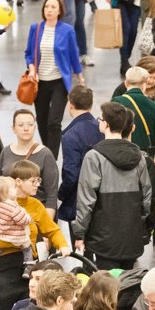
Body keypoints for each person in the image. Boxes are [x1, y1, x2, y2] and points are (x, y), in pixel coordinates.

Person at [73, 101, 155, 270]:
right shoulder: (139, 156)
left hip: (103, 237)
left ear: (106, 124)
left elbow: (86, 200)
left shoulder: (94, 157)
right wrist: (138, 223)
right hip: (131, 235)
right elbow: (147, 198)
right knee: (127, 285)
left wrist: (80, 233)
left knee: (107, 289)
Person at [25, 0, 84, 154]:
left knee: (54, 122)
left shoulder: (67, 31)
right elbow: (29, 53)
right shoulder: (35, 29)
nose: (49, 10)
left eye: (53, 7)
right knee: (42, 120)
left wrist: (80, 78)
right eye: (47, 7)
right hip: (40, 81)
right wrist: (31, 69)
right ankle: (47, 151)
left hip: (59, 81)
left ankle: (51, 156)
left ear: (59, 11)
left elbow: (74, 55)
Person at [0, 108, 62, 215]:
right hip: (9, 215)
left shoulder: (45, 154)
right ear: (13, 128)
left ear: (35, 127)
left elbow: (51, 195)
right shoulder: (6, 152)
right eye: (20, 125)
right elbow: (0, 185)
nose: (26, 128)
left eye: (30, 124)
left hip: (36, 215)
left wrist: (46, 225)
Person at [59, 85, 104, 221]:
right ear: (90, 105)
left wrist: (61, 194)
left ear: (70, 104)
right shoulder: (102, 128)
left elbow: (72, 174)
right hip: (103, 197)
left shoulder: (70, 135)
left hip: (79, 201)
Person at [111, 65, 155, 159]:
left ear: (126, 83)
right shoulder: (153, 104)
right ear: (144, 85)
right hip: (145, 154)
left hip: (122, 151)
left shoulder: (117, 101)